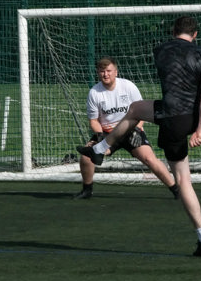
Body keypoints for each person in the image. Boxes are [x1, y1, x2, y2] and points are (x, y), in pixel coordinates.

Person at [77, 16, 201, 256]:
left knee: (183, 180)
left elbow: (185, 74)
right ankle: (99, 150)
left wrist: (198, 130)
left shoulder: (162, 50)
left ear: (173, 32)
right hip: (187, 117)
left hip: (171, 117)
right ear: (196, 35)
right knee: (136, 108)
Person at [74, 57, 179, 200]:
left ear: (116, 72)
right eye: (102, 71)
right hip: (107, 134)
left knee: (149, 158)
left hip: (131, 130)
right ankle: (87, 190)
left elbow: (142, 112)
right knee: (86, 156)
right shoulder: (94, 93)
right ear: (98, 73)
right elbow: (93, 120)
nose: (106, 74)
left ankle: (176, 190)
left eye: (109, 71)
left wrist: (137, 129)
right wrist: (99, 135)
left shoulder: (128, 86)